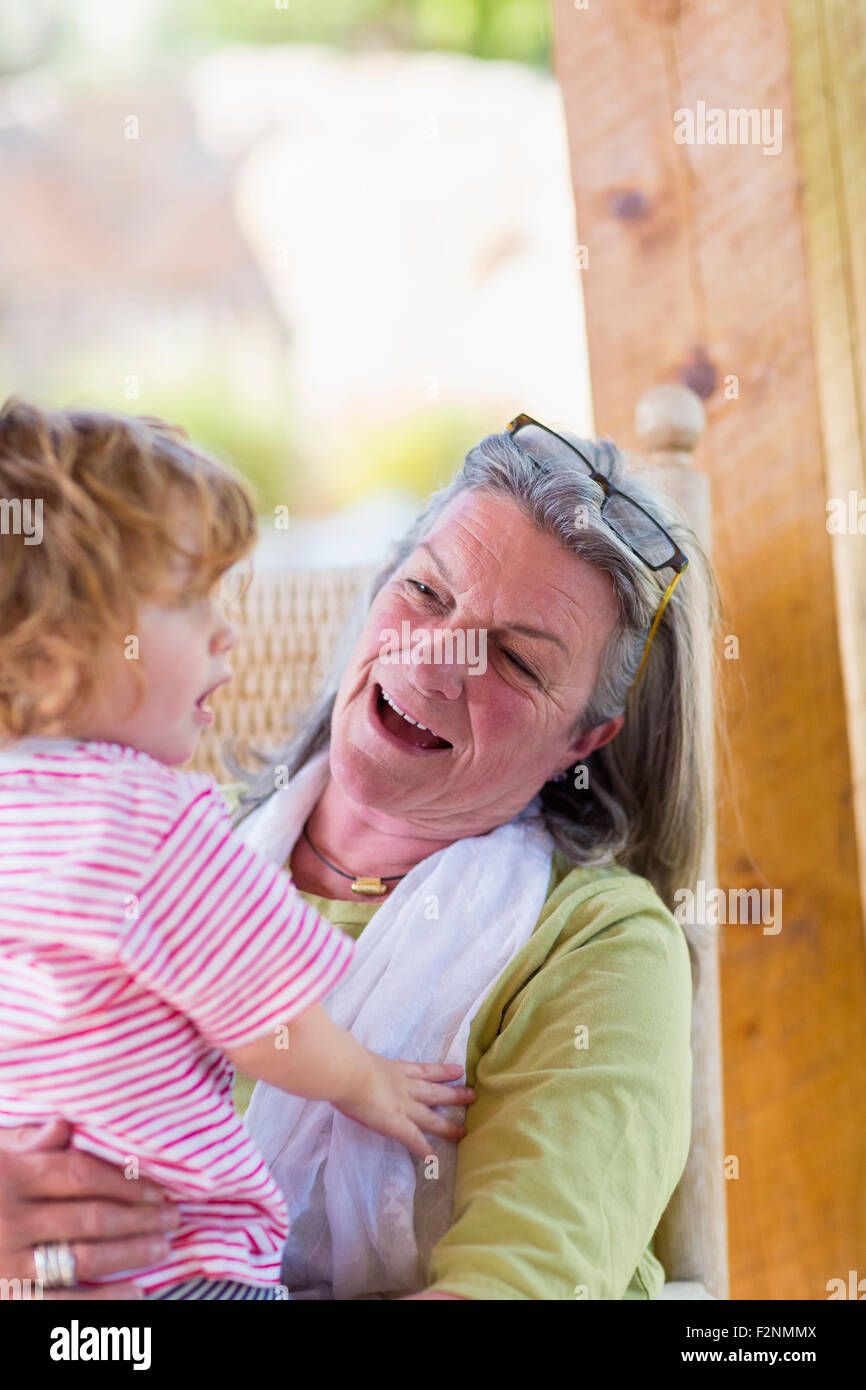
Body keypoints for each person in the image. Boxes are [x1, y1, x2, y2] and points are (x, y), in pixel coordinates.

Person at [0, 409, 723, 1301]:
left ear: (587, 738)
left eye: (515, 661)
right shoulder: (139, 847)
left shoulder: (595, 946)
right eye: (425, 592)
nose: (433, 659)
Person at [0, 398, 474, 1301]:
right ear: (59, 661)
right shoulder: (149, 823)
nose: (225, 631)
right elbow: (269, 1022)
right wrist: (368, 1082)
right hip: (177, 1269)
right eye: (184, 600)